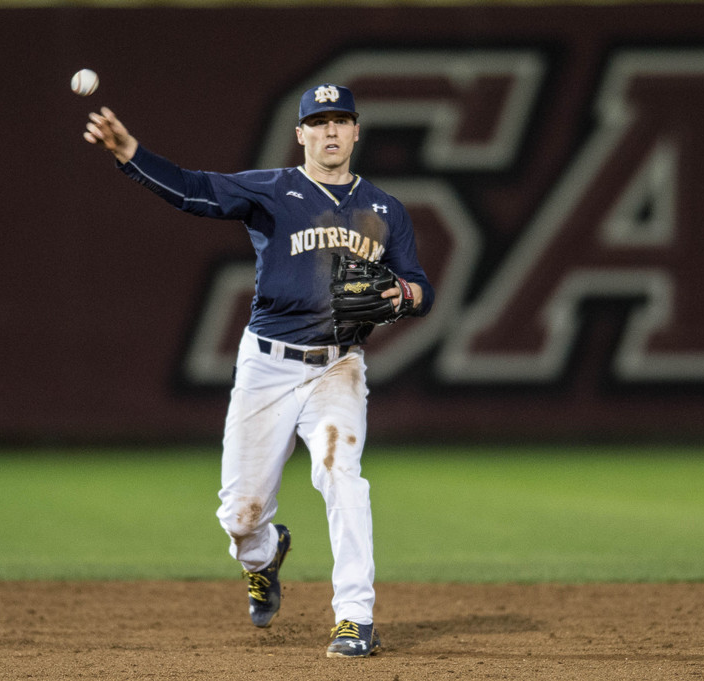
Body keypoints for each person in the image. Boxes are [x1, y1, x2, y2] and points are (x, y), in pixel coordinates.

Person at [83, 83, 434, 658]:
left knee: (341, 474)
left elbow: (422, 288)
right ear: (301, 134)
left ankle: (354, 617)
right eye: (318, 122)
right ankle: (266, 556)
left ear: (356, 131)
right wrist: (130, 153)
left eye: (340, 120)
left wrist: (402, 292)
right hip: (267, 366)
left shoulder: (384, 210)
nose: (329, 131)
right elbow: (195, 192)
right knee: (240, 515)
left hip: (337, 369)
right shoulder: (274, 190)